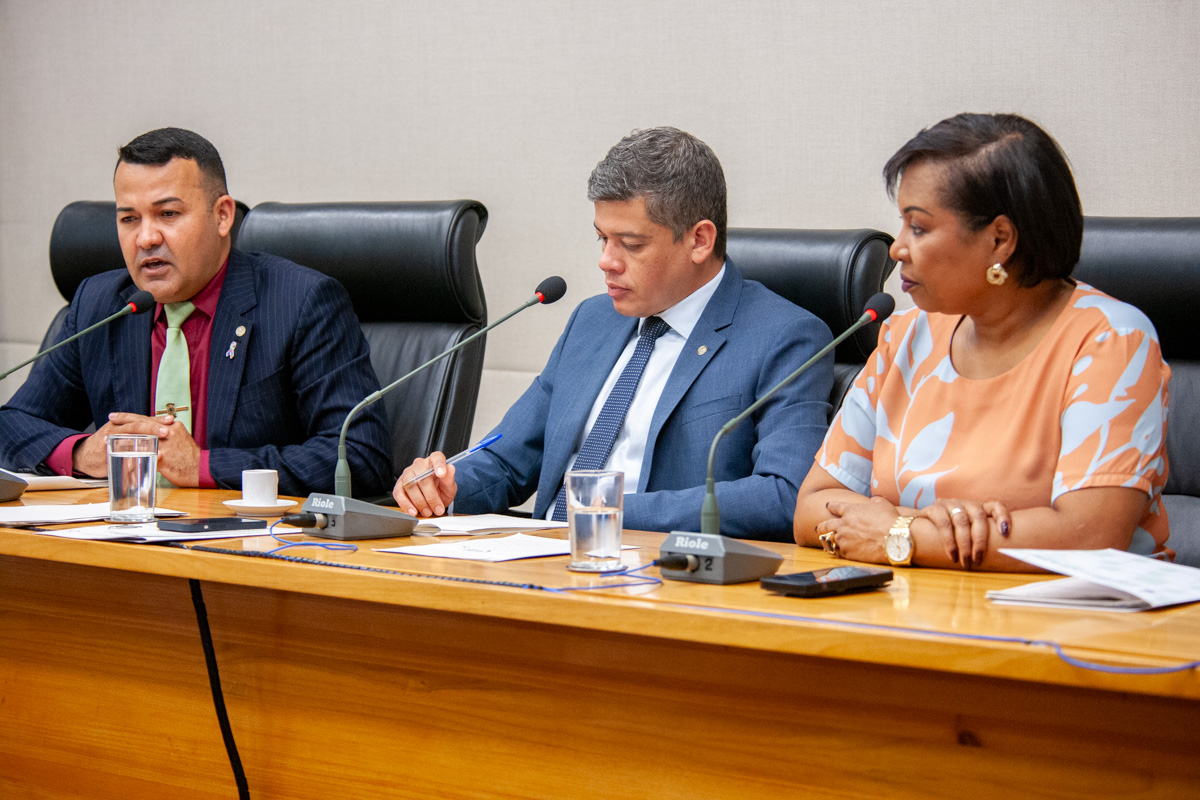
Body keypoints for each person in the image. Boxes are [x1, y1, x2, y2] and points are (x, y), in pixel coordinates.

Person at [395, 127, 834, 540]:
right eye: (601, 238)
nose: (607, 261)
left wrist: (608, 510)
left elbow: (784, 492)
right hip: (541, 560)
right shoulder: (593, 320)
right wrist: (446, 486)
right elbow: (508, 459)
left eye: (631, 243)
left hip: (663, 579)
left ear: (700, 240)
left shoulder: (784, 337)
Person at [794, 113, 1171, 570]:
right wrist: (925, 524)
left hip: (1070, 624)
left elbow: (1090, 536)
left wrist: (900, 533)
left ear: (999, 239)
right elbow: (811, 508)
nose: (897, 248)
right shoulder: (907, 336)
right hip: (905, 615)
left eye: (919, 227)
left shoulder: (1109, 341)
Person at [0, 127, 392, 497]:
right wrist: (83, 452)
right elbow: (12, 424)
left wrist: (203, 467)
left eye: (168, 214)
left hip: (246, 545)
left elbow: (358, 456)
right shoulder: (102, 304)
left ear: (222, 216)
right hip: (122, 537)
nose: (147, 238)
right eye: (129, 219)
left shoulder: (301, 302)